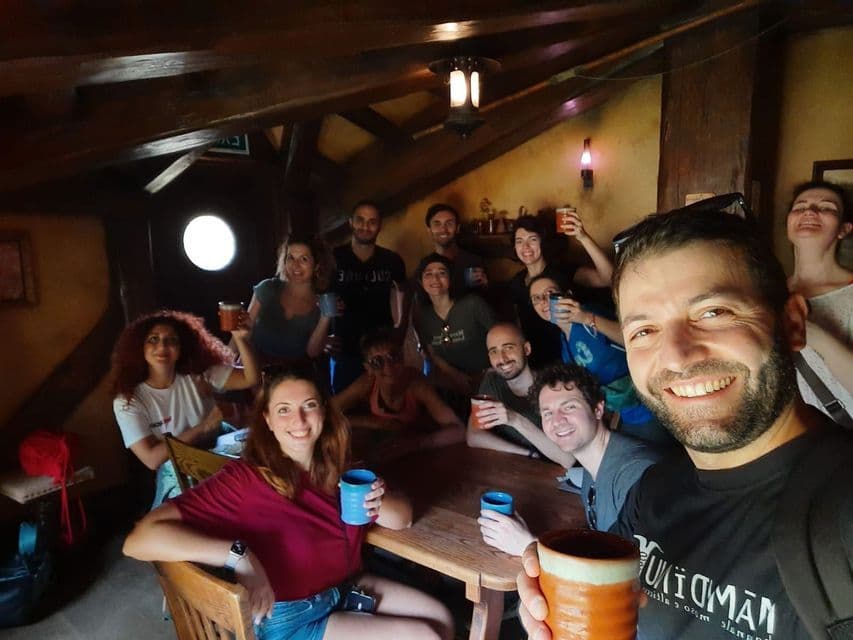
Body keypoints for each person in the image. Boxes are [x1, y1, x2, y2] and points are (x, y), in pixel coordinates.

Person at [517, 206, 853, 639]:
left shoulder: (840, 511)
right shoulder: (653, 491)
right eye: (644, 331)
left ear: (791, 324)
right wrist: (551, 585)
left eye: (713, 313)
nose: (676, 356)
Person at [123, 365, 454, 640]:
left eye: (309, 405)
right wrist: (239, 556)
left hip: (341, 588)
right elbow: (139, 541)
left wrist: (376, 500)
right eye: (284, 410)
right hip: (291, 617)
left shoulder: (342, 468)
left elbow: (404, 519)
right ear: (267, 419)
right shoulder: (245, 480)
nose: (298, 420)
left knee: (440, 619)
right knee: (425, 637)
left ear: (324, 410)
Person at [478, 362, 661, 556]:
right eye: (547, 413)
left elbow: (630, 575)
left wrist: (529, 546)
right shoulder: (593, 469)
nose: (557, 421)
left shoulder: (635, 473)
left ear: (598, 410)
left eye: (569, 407)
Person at [110, 310, 260, 508]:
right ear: (139, 346)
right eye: (153, 339)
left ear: (182, 347)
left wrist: (241, 339)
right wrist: (203, 427)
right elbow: (152, 459)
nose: (162, 346)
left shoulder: (197, 373)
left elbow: (251, 378)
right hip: (175, 466)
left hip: (222, 446)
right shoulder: (128, 400)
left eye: (171, 340)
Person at [527, 274, 672, 446]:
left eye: (550, 293)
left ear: (567, 294)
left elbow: (637, 337)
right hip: (622, 415)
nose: (544, 301)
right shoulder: (563, 339)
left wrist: (586, 318)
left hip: (649, 405)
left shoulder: (589, 314)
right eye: (536, 299)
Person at [331, 326, 465, 461]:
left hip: (423, 452)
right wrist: (372, 422)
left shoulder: (417, 385)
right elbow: (326, 412)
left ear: (403, 358)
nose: (388, 367)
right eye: (378, 362)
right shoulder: (367, 383)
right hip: (383, 447)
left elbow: (459, 431)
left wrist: (416, 443)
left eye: (394, 357)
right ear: (368, 368)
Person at [508, 213, 614, 369]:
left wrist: (583, 237)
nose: (526, 247)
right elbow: (518, 323)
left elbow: (608, 279)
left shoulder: (562, 271)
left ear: (543, 242)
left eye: (532, 239)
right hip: (536, 360)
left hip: (575, 355)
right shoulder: (516, 282)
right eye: (519, 241)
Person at [785, 180, 853, 422]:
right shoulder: (766, 291)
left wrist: (809, 332)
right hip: (784, 444)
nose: (809, 212)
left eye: (826, 208)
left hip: (840, 442)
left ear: (844, 229)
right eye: (800, 206)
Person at [466, 322, 573, 467]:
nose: (502, 359)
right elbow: (474, 436)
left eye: (508, 348)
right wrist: (526, 454)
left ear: (526, 349)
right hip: (516, 469)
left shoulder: (553, 386)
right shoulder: (492, 381)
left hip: (556, 477)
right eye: (494, 351)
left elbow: (568, 459)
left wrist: (515, 419)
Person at [332, 201, 407, 394]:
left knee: (384, 400)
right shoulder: (333, 258)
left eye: (372, 221)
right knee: (344, 404)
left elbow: (404, 296)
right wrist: (324, 337)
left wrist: (401, 331)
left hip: (382, 347)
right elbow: (317, 296)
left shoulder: (392, 260)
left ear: (380, 225)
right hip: (344, 346)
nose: (366, 226)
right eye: (360, 220)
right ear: (350, 222)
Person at [247, 233, 336, 366]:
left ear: (317, 265)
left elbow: (313, 352)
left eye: (303, 259)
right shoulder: (268, 288)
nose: (295, 265)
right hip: (252, 370)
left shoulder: (322, 304)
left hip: (292, 377)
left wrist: (326, 317)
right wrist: (224, 367)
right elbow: (242, 332)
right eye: (291, 258)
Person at [414, 253, 496, 396]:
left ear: (450, 279)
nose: (435, 278)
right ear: (421, 282)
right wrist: (455, 376)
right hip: (450, 382)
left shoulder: (473, 304)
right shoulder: (423, 316)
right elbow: (431, 353)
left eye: (442, 273)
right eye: (428, 274)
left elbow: (501, 336)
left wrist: (492, 372)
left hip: (488, 379)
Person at [423, 203, 488, 292]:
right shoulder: (424, 266)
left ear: (457, 228)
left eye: (449, 223)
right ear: (429, 230)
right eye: (437, 224)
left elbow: (484, 299)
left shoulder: (474, 262)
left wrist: (485, 286)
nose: (443, 229)